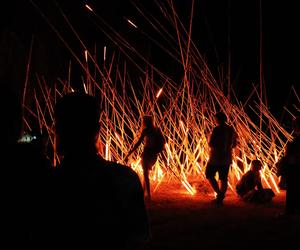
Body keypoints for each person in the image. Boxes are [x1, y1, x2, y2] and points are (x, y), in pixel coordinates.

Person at [53, 92, 150, 249]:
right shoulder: (126, 179)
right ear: (98, 129)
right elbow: (140, 238)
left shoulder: (48, 186)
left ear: (57, 129)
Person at [124, 115, 165, 201]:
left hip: (148, 153)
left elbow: (138, 143)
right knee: (145, 173)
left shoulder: (146, 131)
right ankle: (143, 192)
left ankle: (148, 194)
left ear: (145, 122)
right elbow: (164, 141)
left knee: (145, 173)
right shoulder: (157, 130)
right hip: (153, 154)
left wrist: (130, 153)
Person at [205, 111, 238, 205]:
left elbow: (211, 143)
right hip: (226, 158)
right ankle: (220, 197)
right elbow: (235, 144)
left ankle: (219, 194)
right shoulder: (231, 129)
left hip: (216, 157)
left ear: (218, 119)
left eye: (216, 118)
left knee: (209, 174)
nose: (215, 120)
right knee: (223, 178)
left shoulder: (217, 129)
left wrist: (211, 142)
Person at [276, 116, 300, 217]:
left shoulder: (296, 141)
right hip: (295, 167)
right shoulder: (295, 140)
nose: (293, 127)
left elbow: (291, 157)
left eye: (294, 125)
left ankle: (290, 211)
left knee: (292, 189)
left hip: (295, 168)